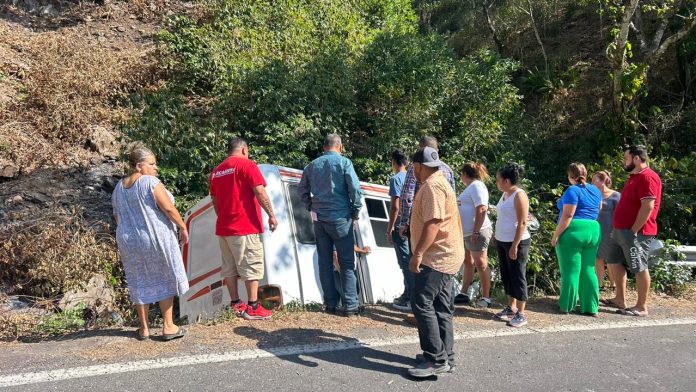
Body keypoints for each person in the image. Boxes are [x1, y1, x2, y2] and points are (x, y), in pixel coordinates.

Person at [112, 143, 189, 341]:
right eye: (152, 164)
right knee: (165, 275)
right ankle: (168, 326)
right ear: (139, 166)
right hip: (153, 237)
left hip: (128, 240)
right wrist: (182, 227)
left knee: (138, 279)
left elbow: (117, 217)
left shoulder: (118, 188)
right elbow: (169, 209)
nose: (156, 168)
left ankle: (144, 328)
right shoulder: (149, 182)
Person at [407, 147, 465, 378]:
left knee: (421, 302)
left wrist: (418, 253)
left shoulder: (432, 186)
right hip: (447, 255)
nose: (414, 171)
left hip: (437, 257)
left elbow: (433, 223)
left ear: (418, 166)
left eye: (414, 167)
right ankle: (446, 356)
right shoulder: (440, 181)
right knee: (441, 307)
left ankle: (435, 359)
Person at [209, 137, 278, 320]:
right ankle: (253, 307)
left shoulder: (216, 172)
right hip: (244, 226)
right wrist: (271, 214)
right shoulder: (247, 165)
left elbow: (215, 201)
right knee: (251, 265)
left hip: (224, 229)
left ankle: (235, 304)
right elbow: (260, 191)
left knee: (229, 268)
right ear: (244, 150)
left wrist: (224, 217)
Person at [298, 134, 364, 316]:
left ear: (324, 147)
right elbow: (355, 190)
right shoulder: (344, 163)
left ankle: (331, 304)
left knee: (325, 262)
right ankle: (351, 305)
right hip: (341, 218)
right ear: (340, 147)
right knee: (347, 262)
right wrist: (355, 210)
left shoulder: (311, 166)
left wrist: (311, 206)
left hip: (320, 220)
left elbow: (301, 190)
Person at [602, 145, 662, 317]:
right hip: (620, 231)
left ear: (636, 158)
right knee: (613, 261)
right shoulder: (635, 177)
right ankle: (619, 299)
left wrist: (634, 230)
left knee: (639, 266)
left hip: (637, 232)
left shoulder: (648, 177)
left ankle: (641, 306)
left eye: (626, 158)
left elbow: (648, 206)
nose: (624, 161)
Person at [551, 163, 602, 316]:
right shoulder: (596, 190)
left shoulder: (572, 190)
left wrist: (556, 235)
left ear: (570, 176)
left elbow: (568, 215)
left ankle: (566, 305)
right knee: (588, 269)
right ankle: (591, 307)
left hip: (574, 230)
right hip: (593, 230)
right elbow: (599, 209)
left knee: (571, 270)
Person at [493, 163, 531, 328]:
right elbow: (503, 217)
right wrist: (496, 235)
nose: (497, 183)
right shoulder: (505, 194)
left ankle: (521, 313)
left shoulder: (519, 195)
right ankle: (511, 307)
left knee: (517, 275)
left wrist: (515, 245)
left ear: (507, 181)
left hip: (517, 241)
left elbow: (522, 222)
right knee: (506, 274)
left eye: (499, 180)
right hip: (503, 240)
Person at [397, 136, 456, 241]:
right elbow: (452, 200)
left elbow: (407, 196)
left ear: (421, 150)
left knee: (419, 254)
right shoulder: (448, 170)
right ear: (437, 150)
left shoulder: (415, 167)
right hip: (443, 225)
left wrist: (404, 222)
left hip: (421, 222)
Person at [455, 162, 493, 308]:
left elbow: (482, 208)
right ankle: (464, 293)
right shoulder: (470, 188)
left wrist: (476, 230)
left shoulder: (477, 186)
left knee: (481, 263)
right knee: (468, 262)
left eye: (461, 174)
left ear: (465, 174)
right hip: (467, 233)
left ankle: (486, 297)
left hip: (477, 231)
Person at [386, 149, 412, 311]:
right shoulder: (414, 178)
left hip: (400, 226)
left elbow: (395, 206)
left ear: (394, 162)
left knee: (405, 263)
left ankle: (410, 296)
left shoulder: (396, 179)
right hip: (413, 225)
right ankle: (409, 293)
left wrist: (390, 228)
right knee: (412, 259)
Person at [592, 170, 620, 291]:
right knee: (598, 257)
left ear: (603, 181)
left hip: (612, 230)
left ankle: (613, 284)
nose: (592, 182)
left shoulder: (616, 195)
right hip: (597, 230)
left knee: (611, 258)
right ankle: (599, 284)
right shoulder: (593, 195)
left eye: (595, 180)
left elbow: (620, 214)